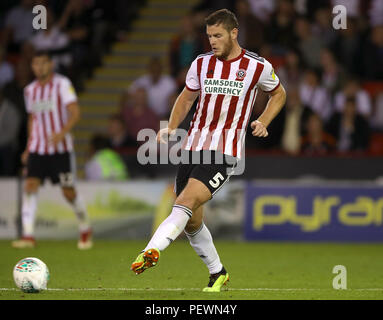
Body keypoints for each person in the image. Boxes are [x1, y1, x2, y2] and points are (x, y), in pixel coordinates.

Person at [130, 9, 286, 292]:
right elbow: (187, 97)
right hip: (193, 148)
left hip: (225, 153)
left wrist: (264, 120)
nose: (212, 41)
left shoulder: (256, 66)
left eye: (218, 35)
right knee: (191, 221)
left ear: (233, 33)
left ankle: (151, 251)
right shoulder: (201, 64)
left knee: (186, 202)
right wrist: (171, 126)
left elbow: (279, 93)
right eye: (209, 36)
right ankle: (218, 273)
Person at [12, 50, 92, 250]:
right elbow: (32, 119)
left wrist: (61, 133)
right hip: (38, 148)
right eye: (36, 64)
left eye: (43, 63)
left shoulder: (62, 84)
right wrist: (29, 146)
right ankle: (28, 235)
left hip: (60, 149)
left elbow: (75, 113)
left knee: (68, 192)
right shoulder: (30, 90)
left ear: (51, 65)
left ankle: (85, 227)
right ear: (32, 67)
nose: (39, 67)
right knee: (30, 186)